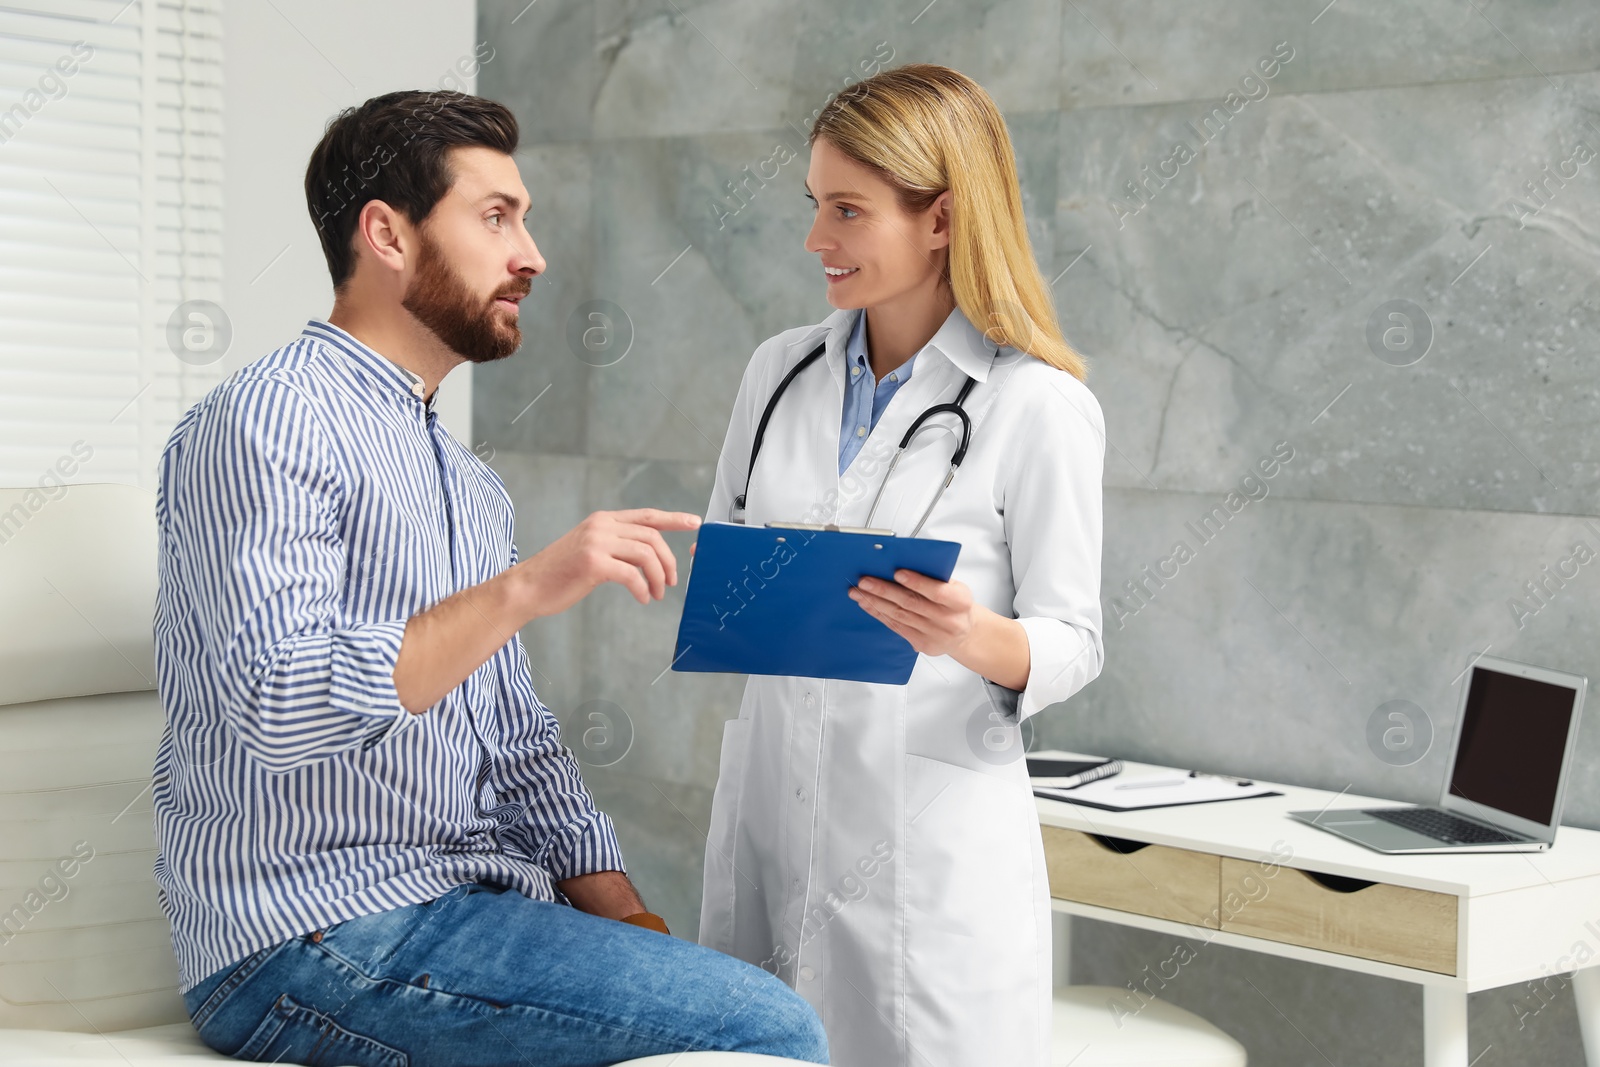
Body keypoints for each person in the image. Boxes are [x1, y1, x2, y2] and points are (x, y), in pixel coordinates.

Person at [152, 89, 827, 1066]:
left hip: (465, 905)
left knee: (731, 1002)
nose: (532, 254)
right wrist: (523, 589)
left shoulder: (464, 479)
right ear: (385, 234)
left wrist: (629, 916)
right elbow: (275, 702)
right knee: (769, 1026)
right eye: (495, 216)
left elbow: (513, 742)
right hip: (307, 937)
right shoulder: (267, 422)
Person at [697, 65, 1105, 1067]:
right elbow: (728, 556)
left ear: (940, 218)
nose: (815, 240)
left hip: (929, 858)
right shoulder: (776, 372)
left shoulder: (1033, 405)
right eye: (814, 205)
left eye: (847, 209)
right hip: (769, 812)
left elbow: (1073, 640)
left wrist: (972, 634)